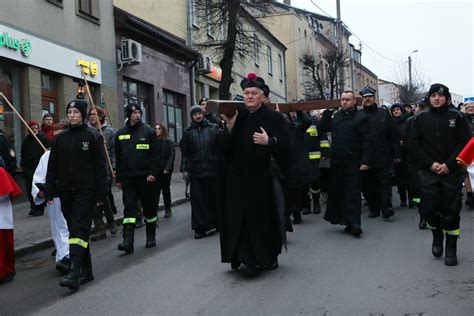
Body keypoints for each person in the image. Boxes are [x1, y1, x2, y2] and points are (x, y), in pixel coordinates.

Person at [219, 73, 290, 275]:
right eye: (246, 93)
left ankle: (266, 257)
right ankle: (244, 258)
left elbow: (287, 147)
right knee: (240, 219)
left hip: (263, 181)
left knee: (262, 220)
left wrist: (270, 142)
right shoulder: (235, 117)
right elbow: (224, 150)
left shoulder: (274, 118)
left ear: (262, 96)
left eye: (254, 93)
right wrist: (230, 129)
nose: (249, 96)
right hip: (238, 181)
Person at [45, 99, 107, 291]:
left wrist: (101, 192)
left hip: (85, 189)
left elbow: (100, 166)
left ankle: (74, 271)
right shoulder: (60, 139)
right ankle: (87, 271)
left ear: (82, 114)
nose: (71, 115)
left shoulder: (93, 136)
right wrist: (49, 188)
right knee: (75, 230)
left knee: (78, 228)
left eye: (75, 112)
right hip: (65, 190)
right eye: (69, 112)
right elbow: (53, 166)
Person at [410, 83, 470, 266]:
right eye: (433, 95)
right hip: (429, 171)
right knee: (429, 208)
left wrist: (449, 165)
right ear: (428, 98)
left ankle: (451, 248)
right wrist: (431, 164)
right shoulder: (419, 119)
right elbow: (414, 145)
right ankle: (437, 234)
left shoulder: (457, 117)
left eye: (440, 95)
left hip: (451, 171)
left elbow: (466, 143)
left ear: (447, 98)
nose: (436, 98)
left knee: (451, 210)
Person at [322, 91, 373, 237]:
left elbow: (368, 141)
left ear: (354, 102)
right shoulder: (337, 116)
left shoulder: (361, 117)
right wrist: (328, 111)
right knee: (340, 192)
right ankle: (347, 221)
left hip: (354, 161)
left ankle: (356, 223)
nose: (344, 102)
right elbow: (324, 127)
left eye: (347, 100)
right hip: (337, 161)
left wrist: (365, 161)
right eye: (342, 99)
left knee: (353, 192)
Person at [115, 103, 160, 253]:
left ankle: (151, 235)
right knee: (129, 209)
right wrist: (119, 178)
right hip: (128, 179)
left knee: (149, 208)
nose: (137, 115)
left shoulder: (148, 131)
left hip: (146, 178)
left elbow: (155, 155)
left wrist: (153, 173)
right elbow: (118, 158)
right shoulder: (120, 134)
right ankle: (127, 241)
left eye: (139, 112)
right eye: (134, 112)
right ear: (128, 114)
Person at [180, 105, 221, 238]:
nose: (198, 116)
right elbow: (185, 153)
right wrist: (184, 170)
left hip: (212, 169)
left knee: (213, 199)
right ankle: (199, 228)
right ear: (192, 116)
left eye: (199, 113)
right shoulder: (188, 132)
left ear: (203, 114)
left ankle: (217, 223)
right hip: (196, 171)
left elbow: (222, 147)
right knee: (197, 201)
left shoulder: (213, 129)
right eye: (195, 114)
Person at [360, 86, 400, 219]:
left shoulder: (383, 114)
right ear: (362, 99)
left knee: (385, 183)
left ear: (374, 98)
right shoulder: (359, 116)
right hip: (365, 158)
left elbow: (393, 135)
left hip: (383, 155)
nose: (368, 99)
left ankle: (386, 207)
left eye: (370, 97)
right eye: (365, 97)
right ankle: (373, 208)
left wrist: (396, 154)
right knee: (368, 185)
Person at [32, 149, 70, 274]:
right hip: (54, 197)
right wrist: (39, 191)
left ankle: (68, 256)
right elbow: (38, 176)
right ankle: (63, 256)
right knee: (58, 228)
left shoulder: (72, 150)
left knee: (67, 226)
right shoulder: (47, 155)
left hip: (72, 193)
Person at [87, 108, 118, 241]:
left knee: (103, 195)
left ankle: (111, 220)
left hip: (105, 168)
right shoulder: (87, 132)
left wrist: (115, 168)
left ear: (101, 117)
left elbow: (115, 152)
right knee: (92, 200)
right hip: (90, 169)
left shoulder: (109, 131)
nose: (92, 117)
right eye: (90, 115)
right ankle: (100, 228)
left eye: (95, 115)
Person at [404, 98, 429, 229]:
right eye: (421, 107)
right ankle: (423, 216)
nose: (421, 110)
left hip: (432, 162)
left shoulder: (434, 120)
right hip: (416, 162)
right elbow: (407, 141)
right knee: (420, 190)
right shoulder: (411, 121)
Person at [20, 120, 51, 216]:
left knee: (38, 188)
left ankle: (40, 208)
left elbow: (49, 150)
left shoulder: (43, 139)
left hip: (39, 168)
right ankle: (33, 206)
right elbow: (23, 154)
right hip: (28, 169)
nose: (35, 130)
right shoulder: (26, 141)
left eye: (36, 128)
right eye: (32, 128)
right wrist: (23, 164)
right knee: (29, 188)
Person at [0, 166, 21, 283]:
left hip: (1, 218)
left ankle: (6, 271)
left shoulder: (0, 172)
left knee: (4, 248)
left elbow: (5, 192)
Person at [390, 104, 412, 207]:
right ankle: (403, 199)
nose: (396, 112)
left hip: (408, 152)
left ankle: (413, 200)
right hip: (397, 153)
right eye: (394, 110)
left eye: (398, 109)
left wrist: (406, 142)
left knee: (410, 179)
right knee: (399, 179)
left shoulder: (408, 120)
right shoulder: (391, 123)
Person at [154, 123, 175, 218]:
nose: (157, 130)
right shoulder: (153, 142)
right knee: (155, 191)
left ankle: (168, 208)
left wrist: (167, 168)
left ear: (163, 130)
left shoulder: (168, 141)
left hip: (165, 171)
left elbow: (171, 156)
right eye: (155, 129)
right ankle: (154, 209)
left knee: (166, 190)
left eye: (159, 129)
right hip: (156, 170)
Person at [463, 102, 474, 209]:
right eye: (468, 107)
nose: (470, 108)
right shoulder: (462, 119)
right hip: (466, 149)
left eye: (472, 107)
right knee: (466, 173)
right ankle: (470, 195)